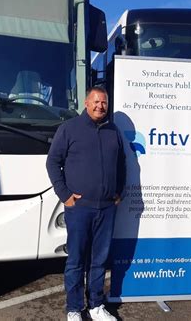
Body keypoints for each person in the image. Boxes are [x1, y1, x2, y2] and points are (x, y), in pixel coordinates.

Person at [46, 86, 126, 321]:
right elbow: (52, 163)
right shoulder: (69, 129)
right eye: (96, 101)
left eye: (104, 102)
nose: (100, 106)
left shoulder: (114, 131)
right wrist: (65, 195)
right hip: (79, 208)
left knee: (99, 260)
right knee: (76, 260)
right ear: (85, 103)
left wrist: (118, 191)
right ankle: (74, 308)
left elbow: (122, 165)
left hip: (107, 208)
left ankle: (96, 306)